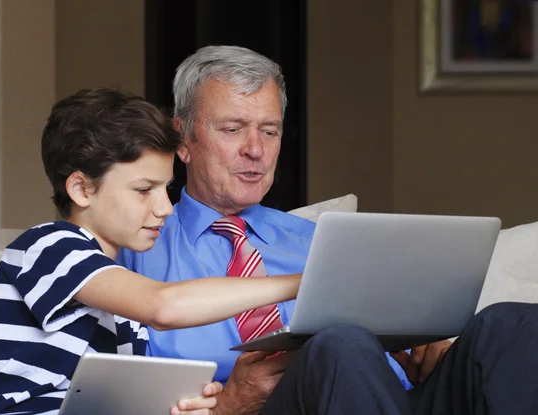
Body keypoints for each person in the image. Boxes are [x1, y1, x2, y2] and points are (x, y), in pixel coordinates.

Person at [118, 46, 538, 414]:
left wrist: (426, 353)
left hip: (393, 401)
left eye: (269, 130)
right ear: (182, 140)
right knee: (340, 344)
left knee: (510, 323)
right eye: (232, 129)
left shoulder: (325, 242)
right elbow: (106, 397)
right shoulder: (136, 248)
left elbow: (399, 351)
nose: (256, 149)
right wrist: (227, 406)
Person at [0, 87, 303, 415]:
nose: (165, 207)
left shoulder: (121, 302)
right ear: (82, 189)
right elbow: (163, 306)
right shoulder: (48, 246)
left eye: (166, 188)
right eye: (143, 189)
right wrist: (305, 282)